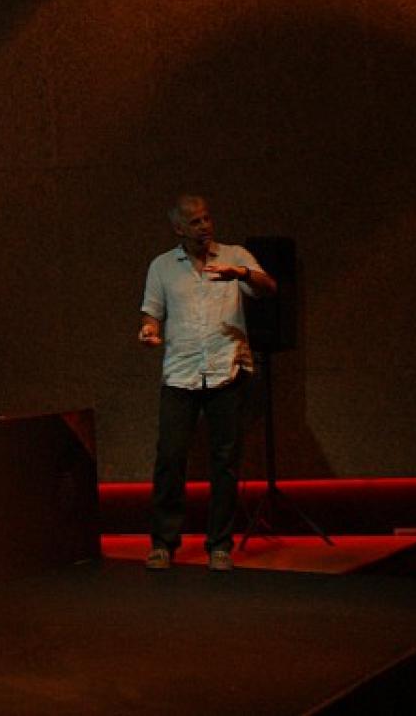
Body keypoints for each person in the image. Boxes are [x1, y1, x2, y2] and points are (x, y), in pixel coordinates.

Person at [137, 194, 276, 571]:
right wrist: (149, 331)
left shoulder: (234, 255)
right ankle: (163, 542)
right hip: (180, 375)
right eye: (195, 222)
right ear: (179, 228)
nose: (204, 226)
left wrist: (242, 274)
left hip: (225, 371)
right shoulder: (162, 267)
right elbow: (152, 313)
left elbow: (270, 286)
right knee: (169, 459)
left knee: (225, 462)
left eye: (207, 219)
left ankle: (220, 545)